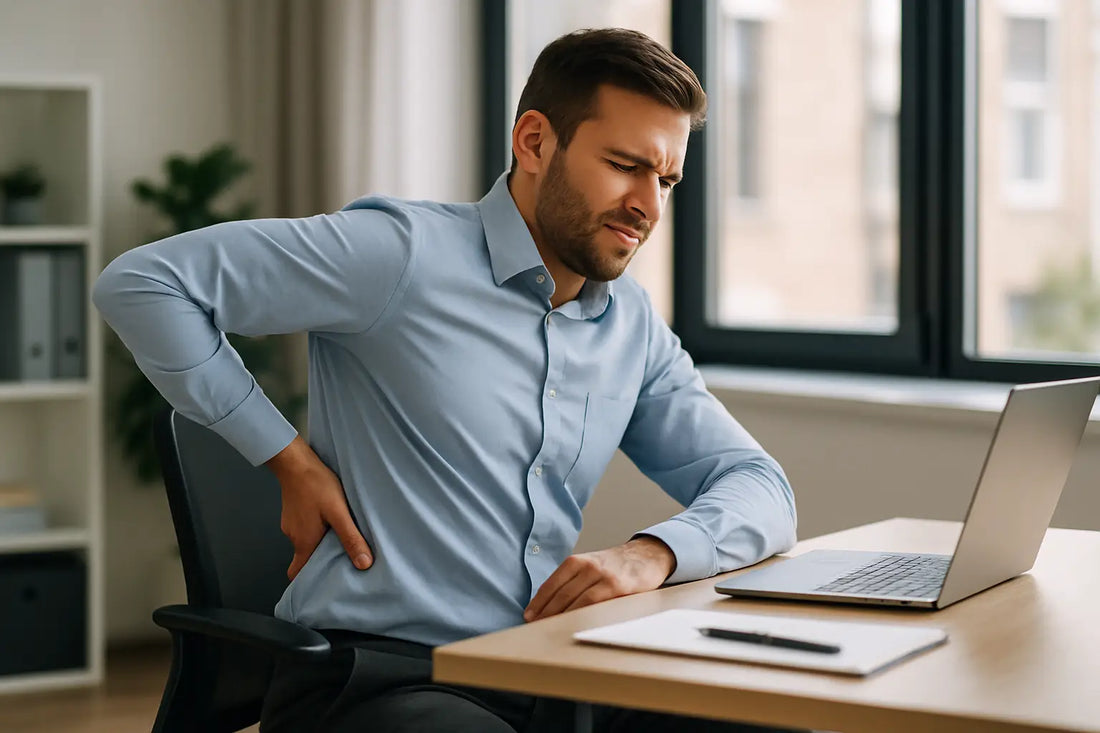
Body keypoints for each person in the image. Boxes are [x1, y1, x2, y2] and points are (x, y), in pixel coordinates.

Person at [95, 27, 797, 733]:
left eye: (666, 179)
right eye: (624, 165)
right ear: (533, 142)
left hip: (548, 670)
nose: (648, 204)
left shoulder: (631, 327)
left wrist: (653, 554)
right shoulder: (399, 253)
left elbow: (760, 487)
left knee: (774, 719)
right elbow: (143, 283)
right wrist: (287, 457)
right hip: (379, 680)